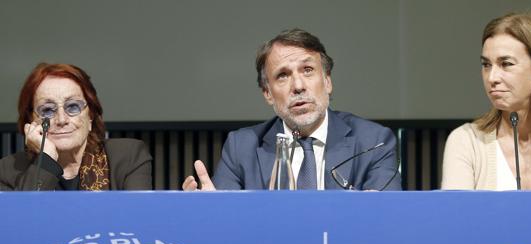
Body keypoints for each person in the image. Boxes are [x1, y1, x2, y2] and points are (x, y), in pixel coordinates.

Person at [183, 28, 401, 190]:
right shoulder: (241, 148)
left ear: (327, 82)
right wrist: (208, 213)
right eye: (283, 75)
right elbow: (227, 227)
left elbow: (382, 223)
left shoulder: (374, 142)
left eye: (307, 70)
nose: (298, 86)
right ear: (267, 93)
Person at [442, 13, 531, 190]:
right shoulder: (467, 141)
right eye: (486, 65)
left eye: (506, 64)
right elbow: (457, 215)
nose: (492, 77)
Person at [0, 63, 152, 190]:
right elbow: (23, 222)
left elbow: (137, 222)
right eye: (47, 110)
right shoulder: (7, 170)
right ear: (30, 119)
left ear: (90, 116)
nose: (61, 119)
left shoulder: (127, 156)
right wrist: (46, 159)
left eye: (73, 107)